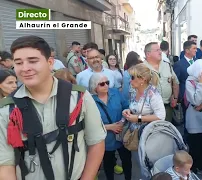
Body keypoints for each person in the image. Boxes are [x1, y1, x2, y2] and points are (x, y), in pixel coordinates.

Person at [0, 35, 106, 180]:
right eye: (18, 63)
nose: (25, 68)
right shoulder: (7, 109)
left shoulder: (78, 97)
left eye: (33, 61)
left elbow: (96, 143)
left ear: (50, 62)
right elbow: (5, 163)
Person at [89, 73, 132, 180]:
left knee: (127, 160)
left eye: (107, 82)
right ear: (95, 87)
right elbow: (89, 123)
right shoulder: (90, 101)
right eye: (102, 84)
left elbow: (126, 107)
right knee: (108, 163)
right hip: (105, 139)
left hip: (122, 135)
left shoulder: (116, 93)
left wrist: (123, 120)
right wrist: (109, 127)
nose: (106, 86)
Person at [143, 42, 179, 122]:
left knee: (166, 131)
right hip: (150, 110)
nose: (160, 52)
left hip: (167, 107)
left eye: (160, 50)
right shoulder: (141, 68)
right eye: (157, 50)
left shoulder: (167, 65)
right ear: (148, 54)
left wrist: (175, 97)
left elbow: (175, 82)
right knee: (152, 132)